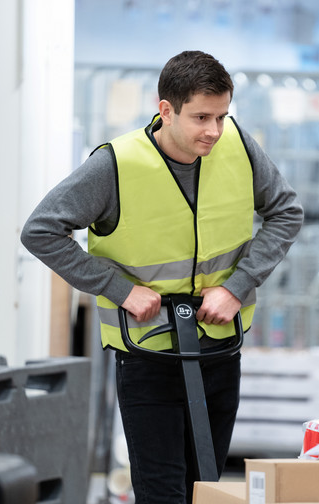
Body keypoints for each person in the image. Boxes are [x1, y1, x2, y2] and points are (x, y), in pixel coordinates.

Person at [21, 50, 303, 504]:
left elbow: (287, 213)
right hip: (147, 354)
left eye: (222, 116)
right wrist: (119, 289)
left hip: (219, 346)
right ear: (165, 110)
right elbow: (41, 231)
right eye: (201, 117)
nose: (213, 130)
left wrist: (237, 286)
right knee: (161, 494)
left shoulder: (238, 146)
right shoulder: (116, 164)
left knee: (205, 488)